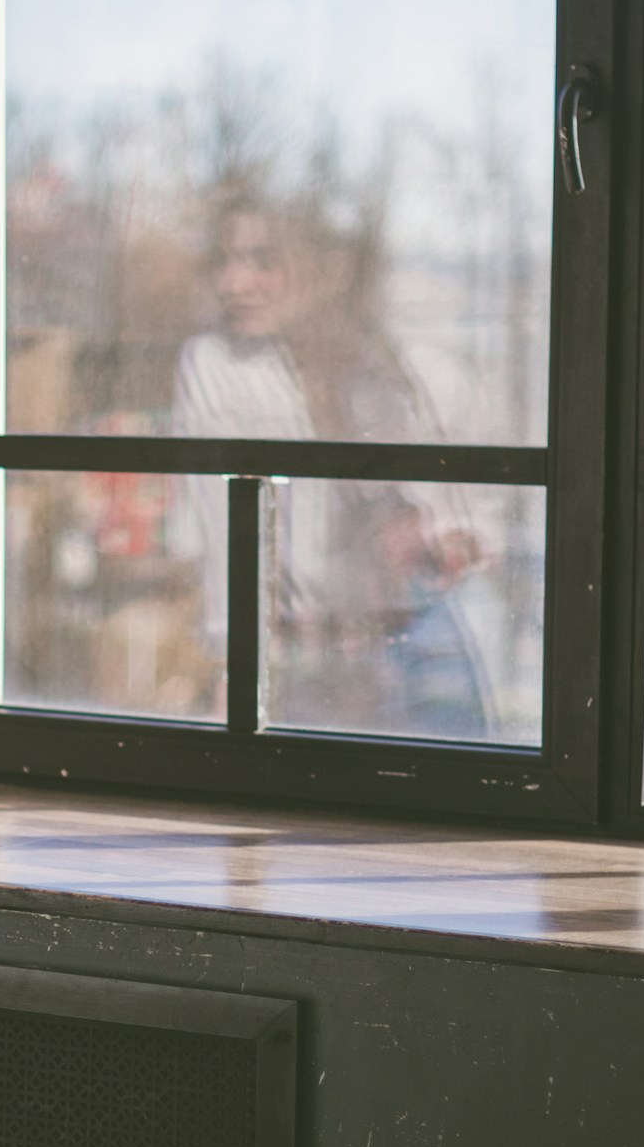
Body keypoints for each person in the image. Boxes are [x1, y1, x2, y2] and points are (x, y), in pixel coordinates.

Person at [172, 195, 492, 740]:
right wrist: (237, 662)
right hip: (298, 664)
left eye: (263, 261)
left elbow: (474, 518)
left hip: (415, 651)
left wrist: (446, 536)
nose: (233, 284)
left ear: (325, 271)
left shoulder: (401, 369)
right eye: (224, 261)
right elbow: (221, 531)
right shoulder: (220, 367)